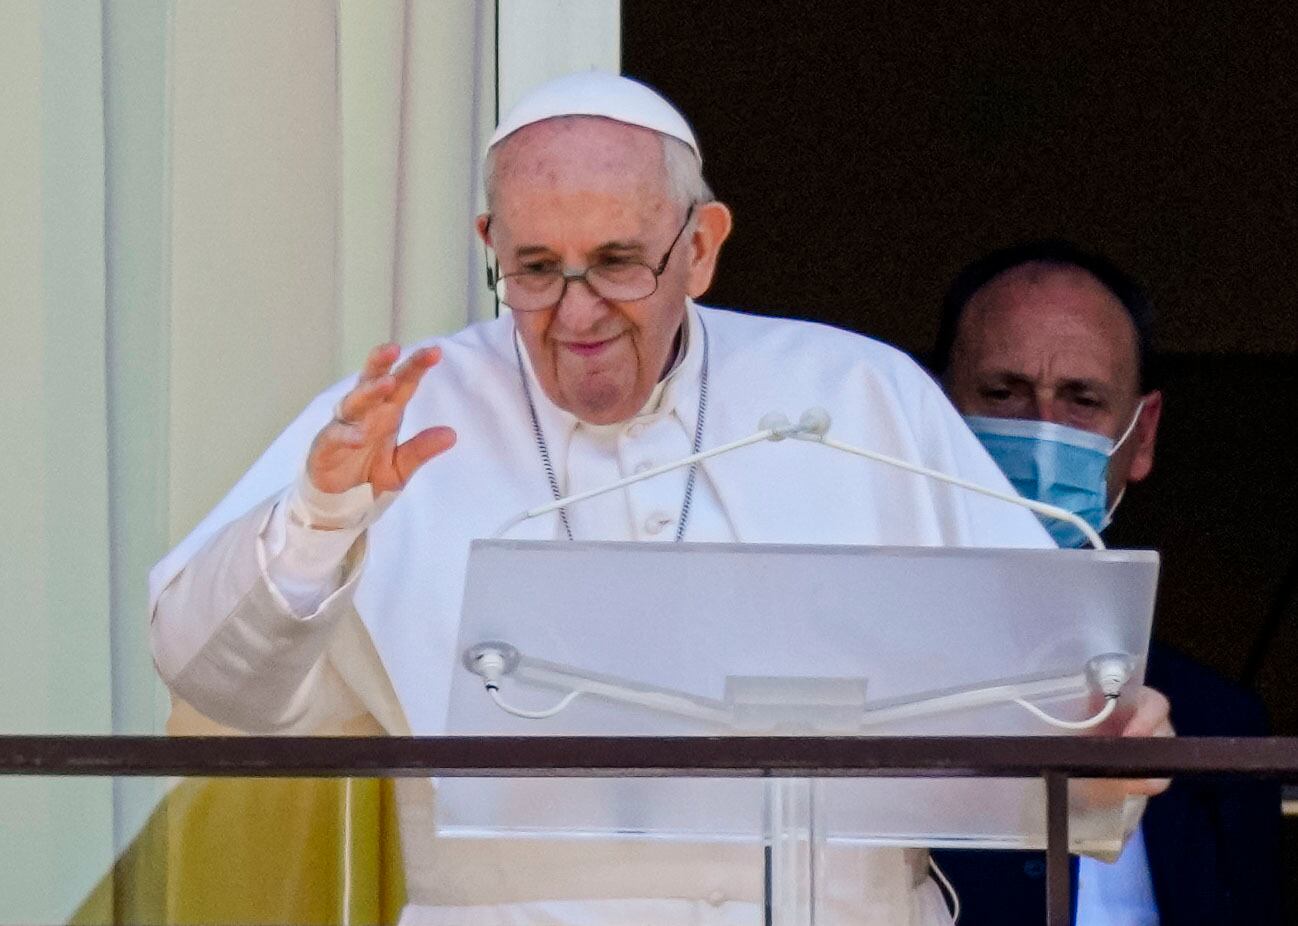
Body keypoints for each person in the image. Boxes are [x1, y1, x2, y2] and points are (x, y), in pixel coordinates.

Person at [149, 75, 1169, 925]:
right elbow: (221, 688)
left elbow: (1047, 699)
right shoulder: (401, 412)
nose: (576, 311)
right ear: (489, 243)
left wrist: (1101, 742)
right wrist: (321, 519)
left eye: (618, 264)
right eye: (536, 269)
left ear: (700, 246)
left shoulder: (859, 395)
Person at [929, 240, 1283, 925]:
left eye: (1083, 399)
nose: (1041, 434)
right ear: (932, 409)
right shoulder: (866, 689)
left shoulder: (1222, 723)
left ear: (1142, 435)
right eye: (1002, 393)